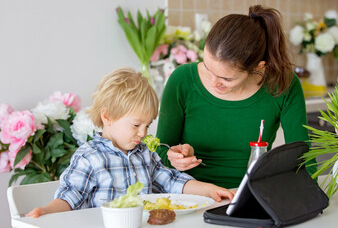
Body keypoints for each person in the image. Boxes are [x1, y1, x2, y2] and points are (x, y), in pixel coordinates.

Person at [26, 68, 234, 218]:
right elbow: (70, 197)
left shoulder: (145, 154)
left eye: (147, 125)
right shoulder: (90, 157)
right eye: (136, 125)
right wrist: (45, 211)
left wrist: (210, 190)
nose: (143, 133)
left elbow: (172, 180)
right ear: (107, 117)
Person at [156, 5, 317, 189]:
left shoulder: (283, 84)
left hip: (251, 194)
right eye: (208, 68)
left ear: (257, 67)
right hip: (189, 195)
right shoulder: (182, 79)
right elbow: (158, 151)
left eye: (226, 78)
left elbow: (303, 159)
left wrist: (310, 199)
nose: (214, 82)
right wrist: (174, 159)